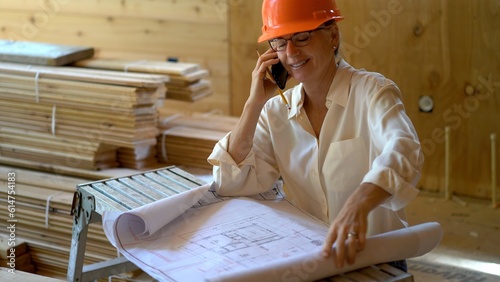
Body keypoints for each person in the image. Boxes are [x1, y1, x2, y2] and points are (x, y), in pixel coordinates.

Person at [208, 0, 423, 272]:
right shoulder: (276, 112)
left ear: (333, 35)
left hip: (375, 259)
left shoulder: (372, 91)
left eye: (302, 37)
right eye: (280, 42)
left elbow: (405, 150)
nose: (291, 53)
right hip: (312, 261)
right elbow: (229, 182)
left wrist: (359, 202)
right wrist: (254, 103)